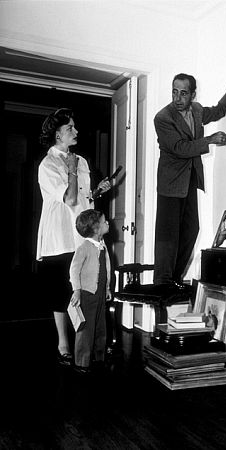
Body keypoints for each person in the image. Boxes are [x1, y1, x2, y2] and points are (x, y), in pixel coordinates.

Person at [153, 70, 226, 288]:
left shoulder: (195, 110)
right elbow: (179, 148)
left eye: (183, 93)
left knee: (191, 229)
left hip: (190, 180)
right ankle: (162, 281)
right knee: (168, 236)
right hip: (170, 182)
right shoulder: (163, 118)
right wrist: (209, 140)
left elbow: (217, 112)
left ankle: (174, 278)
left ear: (193, 95)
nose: (177, 98)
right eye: (174, 92)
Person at [36, 108, 111, 366]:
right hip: (59, 238)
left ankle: (84, 342)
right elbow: (68, 198)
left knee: (82, 289)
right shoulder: (48, 165)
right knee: (60, 292)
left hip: (82, 236)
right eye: (70, 129)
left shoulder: (82, 161)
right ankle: (63, 343)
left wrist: (97, 192)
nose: (76, 132)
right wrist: (70, 169)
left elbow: (83, 199)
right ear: (58, 135)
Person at [69, 209, 111, 374]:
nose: (108, 223)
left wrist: (107, 288)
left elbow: (106, 268)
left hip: (100, 292)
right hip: (87, 293)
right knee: (85, 328)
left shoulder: (102, 245)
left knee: (101, 326)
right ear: (95, 229)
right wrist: (77, 290)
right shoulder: (84, 247)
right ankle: (81, 361)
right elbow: (74, 270)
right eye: (104, 222)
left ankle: (98, 356)